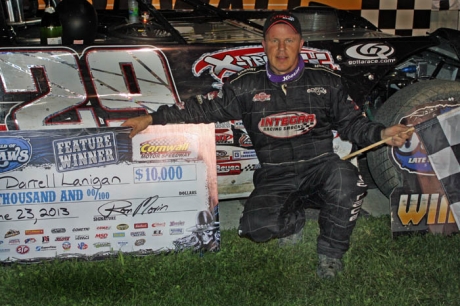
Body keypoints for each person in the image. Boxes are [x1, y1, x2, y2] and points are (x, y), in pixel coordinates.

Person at [122, 12, 413, 279]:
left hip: (320, 166)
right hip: (276, 173)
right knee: (256, 228)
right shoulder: (244, 86)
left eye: (289, 40)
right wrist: (150, 118)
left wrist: (383, 131)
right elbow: (198, 110)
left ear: (301, 43)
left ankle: (330, 255)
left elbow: (354, 125)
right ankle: (295, 220)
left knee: (348, 182)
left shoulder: (326, 82)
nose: (282, 49)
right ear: (264, 44)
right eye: (275, 41)